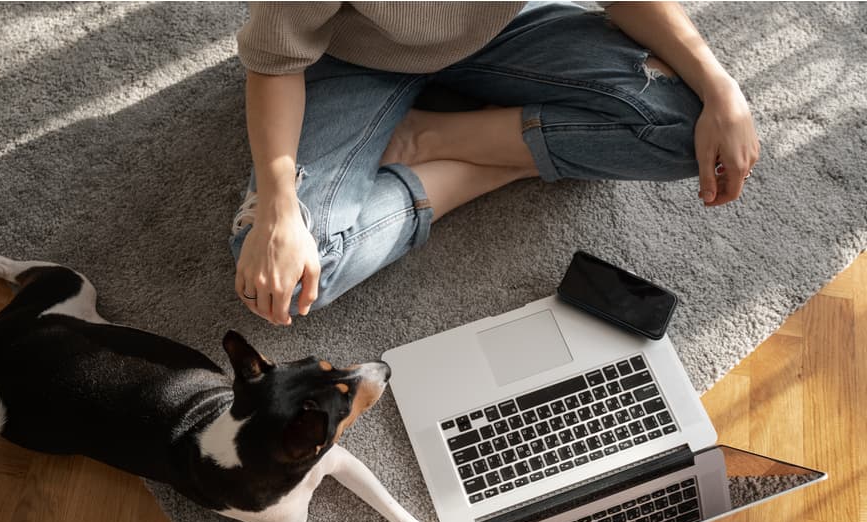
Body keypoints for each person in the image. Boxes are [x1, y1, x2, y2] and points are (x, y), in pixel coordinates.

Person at [230, 1, 759, 326]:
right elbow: (275, 61)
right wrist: (278, 207)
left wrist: (722, 88)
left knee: (690, 128)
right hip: (354, 58)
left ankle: (430, 137)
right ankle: (500, 161)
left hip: (500, 30)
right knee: (287, 275)